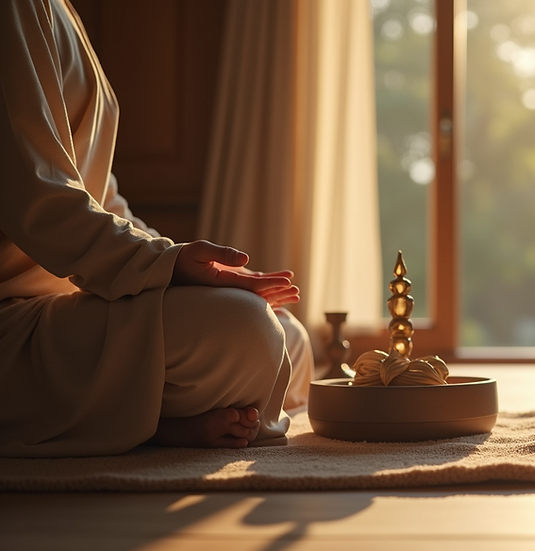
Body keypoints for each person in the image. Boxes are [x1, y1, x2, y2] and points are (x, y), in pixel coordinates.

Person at [0, 0, 313, 457]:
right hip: (14, 323)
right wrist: (164, 265)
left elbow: (101, 202)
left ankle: (145, 419)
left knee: (289, 335)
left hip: (66, 308)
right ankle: (153, 425)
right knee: (248, 330)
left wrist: (178, 259)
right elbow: (37, 202)